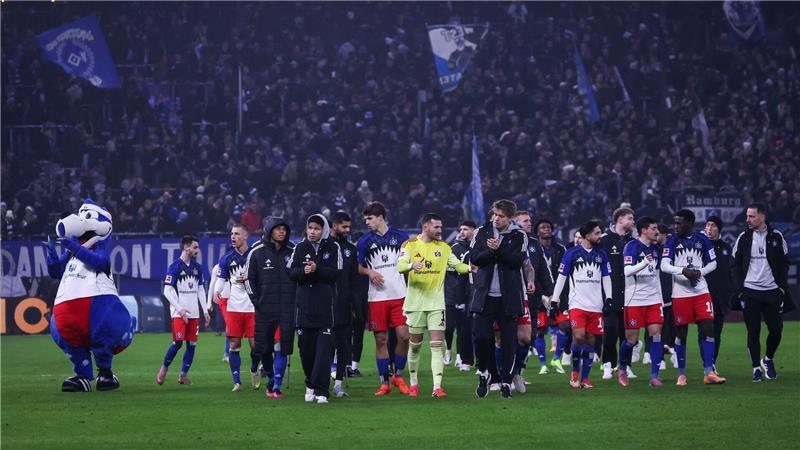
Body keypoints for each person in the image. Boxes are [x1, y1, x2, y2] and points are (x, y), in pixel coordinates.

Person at [398, 213, 470, 398]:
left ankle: (437, 387)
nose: (440, 230)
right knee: (414, 346)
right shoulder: (410, 245)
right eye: (437, 227)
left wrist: (471, 268)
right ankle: (413, 384)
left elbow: (458, 266)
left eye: (441, 227)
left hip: (437, 304)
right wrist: (412, 266)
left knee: (437, 345)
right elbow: (400, 266)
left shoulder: (444, 248)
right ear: (425, 227)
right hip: (415, 304)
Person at [470, 199, 528, 399]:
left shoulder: (518, 235)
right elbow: (475, 258)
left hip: (509, 297)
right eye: (494, 214)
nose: (495, 219)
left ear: (510, 218)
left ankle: (506, 381)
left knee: (509, 342)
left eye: (501, 216)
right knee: (482, 336)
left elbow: (516, 262)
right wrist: (490, 251)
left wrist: (499, 250)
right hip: (485, 296)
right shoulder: (482, 231)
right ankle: (487, 373)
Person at [661, 209, 726, 385]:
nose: (676, 226)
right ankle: (682, 374)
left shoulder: (702, 239)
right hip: (680, 294)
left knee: (708, 327)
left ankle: (708, 371)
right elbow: (664, 265)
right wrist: (683, 271)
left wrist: (699, 272)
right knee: (681, 334)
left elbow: (713, 263)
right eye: (675, 222)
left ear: (689, 223)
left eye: (679, 223)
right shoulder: (672, 241)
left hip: (701, 291)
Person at [731, 203, 795, 381]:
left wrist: (781, 287)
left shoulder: (776, 236)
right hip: (750, 291)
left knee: (776, 330)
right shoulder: (743, 238)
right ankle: (755, 369)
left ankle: (768, 359)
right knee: (753, 331)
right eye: (747, 216)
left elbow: (784, 262)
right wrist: (740, 290)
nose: (748, 220)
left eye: (751, 216)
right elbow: (734, 264)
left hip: (772, 292)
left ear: (762, 217)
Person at [356, 202, 411, 396]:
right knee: (381, 340)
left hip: (400, 295)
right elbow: (358, 266)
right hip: (377, 297)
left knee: (405, 336)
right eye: (366, 219)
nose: (367, 222)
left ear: (380, 217)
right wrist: (369, 272)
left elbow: (411, 262)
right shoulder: (364, 241)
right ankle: (384, 383)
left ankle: (399, 376)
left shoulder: (402, 237)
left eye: (369, 219)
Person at [551, 221, 612, 389]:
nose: (600, 236)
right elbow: (561, 278)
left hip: (596, 305)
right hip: (577, 303)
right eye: (597, 233)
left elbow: (606, 277)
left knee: (591, 341)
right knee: (578, 337)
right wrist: (554, 301)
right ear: (587, 235)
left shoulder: (602, 254)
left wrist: (609, 298)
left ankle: (585, 378)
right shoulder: (572, 253)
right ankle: (575, 372)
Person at [288, 214, 341, 404]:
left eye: (317, 228)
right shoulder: (299, 248)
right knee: (306, 351)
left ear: (324, 230)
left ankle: (322, 391)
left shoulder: (333, 247)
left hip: (325, 308)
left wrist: (317, 269)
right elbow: (291, 272)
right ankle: (310, 383)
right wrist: (303, 271)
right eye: (310, 228)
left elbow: (336, 273)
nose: (313, 232)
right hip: (304, 308)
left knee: (323, 353)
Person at [245, 217, 296, 398]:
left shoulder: (293, 251)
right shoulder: (256, 252)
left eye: (284, 228)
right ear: (269, 230)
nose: (281, 232)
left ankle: (276, 385)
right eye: (277, 229)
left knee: (282, 346)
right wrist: (257, 302)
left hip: (287, 310)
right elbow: (248, 280)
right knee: (263, 348)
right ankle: (269, 375)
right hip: (265, 309)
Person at [156, 235, 211, 385]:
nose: (197, 250)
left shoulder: (197, 268)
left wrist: (205, 310)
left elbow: (200, 290)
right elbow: (167, 291)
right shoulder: (174, 267)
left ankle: (183, 374)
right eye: (195, 247)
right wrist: (180, 309)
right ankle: (164, 368)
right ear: (186, 248)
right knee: (178, 342)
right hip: (179, 312)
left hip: (194, 313)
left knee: (192, 344)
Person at [617, 216, 665, 387]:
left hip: (653, 299)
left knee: (656, 335)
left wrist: (660, 299)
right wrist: (644, 262)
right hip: (634, 299)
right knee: (631, 340)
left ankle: (654, 375)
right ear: (644, 230)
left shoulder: (657, 248)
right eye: (653, 228)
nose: (656, 231)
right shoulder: (632, 247)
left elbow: (658, 274)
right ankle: (622, 368)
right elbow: (627, 271)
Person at [214, 224, 258, 392]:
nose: (233, 237)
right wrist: (217, 291)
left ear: (245, 236)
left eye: (237, 234)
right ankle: (237, 381)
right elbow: (221, 278)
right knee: (234, 344)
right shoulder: (226, 259)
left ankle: (254, 369)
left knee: (256, 345)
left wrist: (248, 279)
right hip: (234, 307)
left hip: (253, 307)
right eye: (231, 234)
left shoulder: (254, 255)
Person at [515, 211, 554, 383]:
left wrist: (550, 292)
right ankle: (500, 373)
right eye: (525, 221)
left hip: (532, 297)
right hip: (512, 295)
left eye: (530, 220)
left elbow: (544, 270)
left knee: (528, 337)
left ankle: (518, 373)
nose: (530, 223)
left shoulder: (534, 244)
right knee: (508, 335)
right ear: (515, 223)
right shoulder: (509, 241)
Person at [598, 207, 635, 380]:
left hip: (630, 294)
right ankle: (608, 365)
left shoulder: (634, 242)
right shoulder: (604, 240)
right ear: (620, 219)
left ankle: (625, 366)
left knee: (627, 334)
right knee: (611, 331)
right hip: (610, 295)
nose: (633, 221)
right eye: (630, 218)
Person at [330, 212, 359, 397]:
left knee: (343, 346)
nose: (348, 230)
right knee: (323, 345)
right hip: (325, 305)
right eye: (344, 227)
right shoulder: (324, 247)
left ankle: (338, 384)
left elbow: (354, 279)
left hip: (344, 305)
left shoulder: (350, 249)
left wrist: (355, 305)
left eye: (349, 227)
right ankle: (321, 381)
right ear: (334, 226)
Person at [535, 218, 570, 374]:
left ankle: (556, 357)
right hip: (539, 295)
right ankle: (543, 363)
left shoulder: (560, 249)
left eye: (549, 227)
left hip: (559, 294)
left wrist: (559, 294)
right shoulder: (533, 249)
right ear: (537, 232)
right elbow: (533, 274)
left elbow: (566, 272)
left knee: (565, 326)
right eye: (543, 227)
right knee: (539, 330)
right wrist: (542, 294)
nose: (547, 229)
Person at [700, 216, 733, 368]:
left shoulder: (727, 248)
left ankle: (712, 362)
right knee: (704, 331)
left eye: (713, 225)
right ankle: (707, 363)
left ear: (719, 229)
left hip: (720, 298)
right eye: (707, 225)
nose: (709, 228)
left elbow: (730, 273)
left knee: (716, 333)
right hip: (703, 296)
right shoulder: (699, 246)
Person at [444, 220, 476, 372]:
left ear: (473, 231)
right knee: (452, 328)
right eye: (461, 229)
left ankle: (460, 356)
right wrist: (457, 298)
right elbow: (451, 276)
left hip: (472, 293)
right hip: (455, 294)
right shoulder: (455, 249)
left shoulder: (478, 247)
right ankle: (450, 350)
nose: (462, 232)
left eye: (466, 229)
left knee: (467, 328)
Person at [348, 230, 369, 377]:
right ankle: (352, 366)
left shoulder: (350, 256)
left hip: (358, 300)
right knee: (355, 335)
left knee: (351, 335)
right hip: (357, 300)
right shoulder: (357, 257)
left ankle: (349, 366)